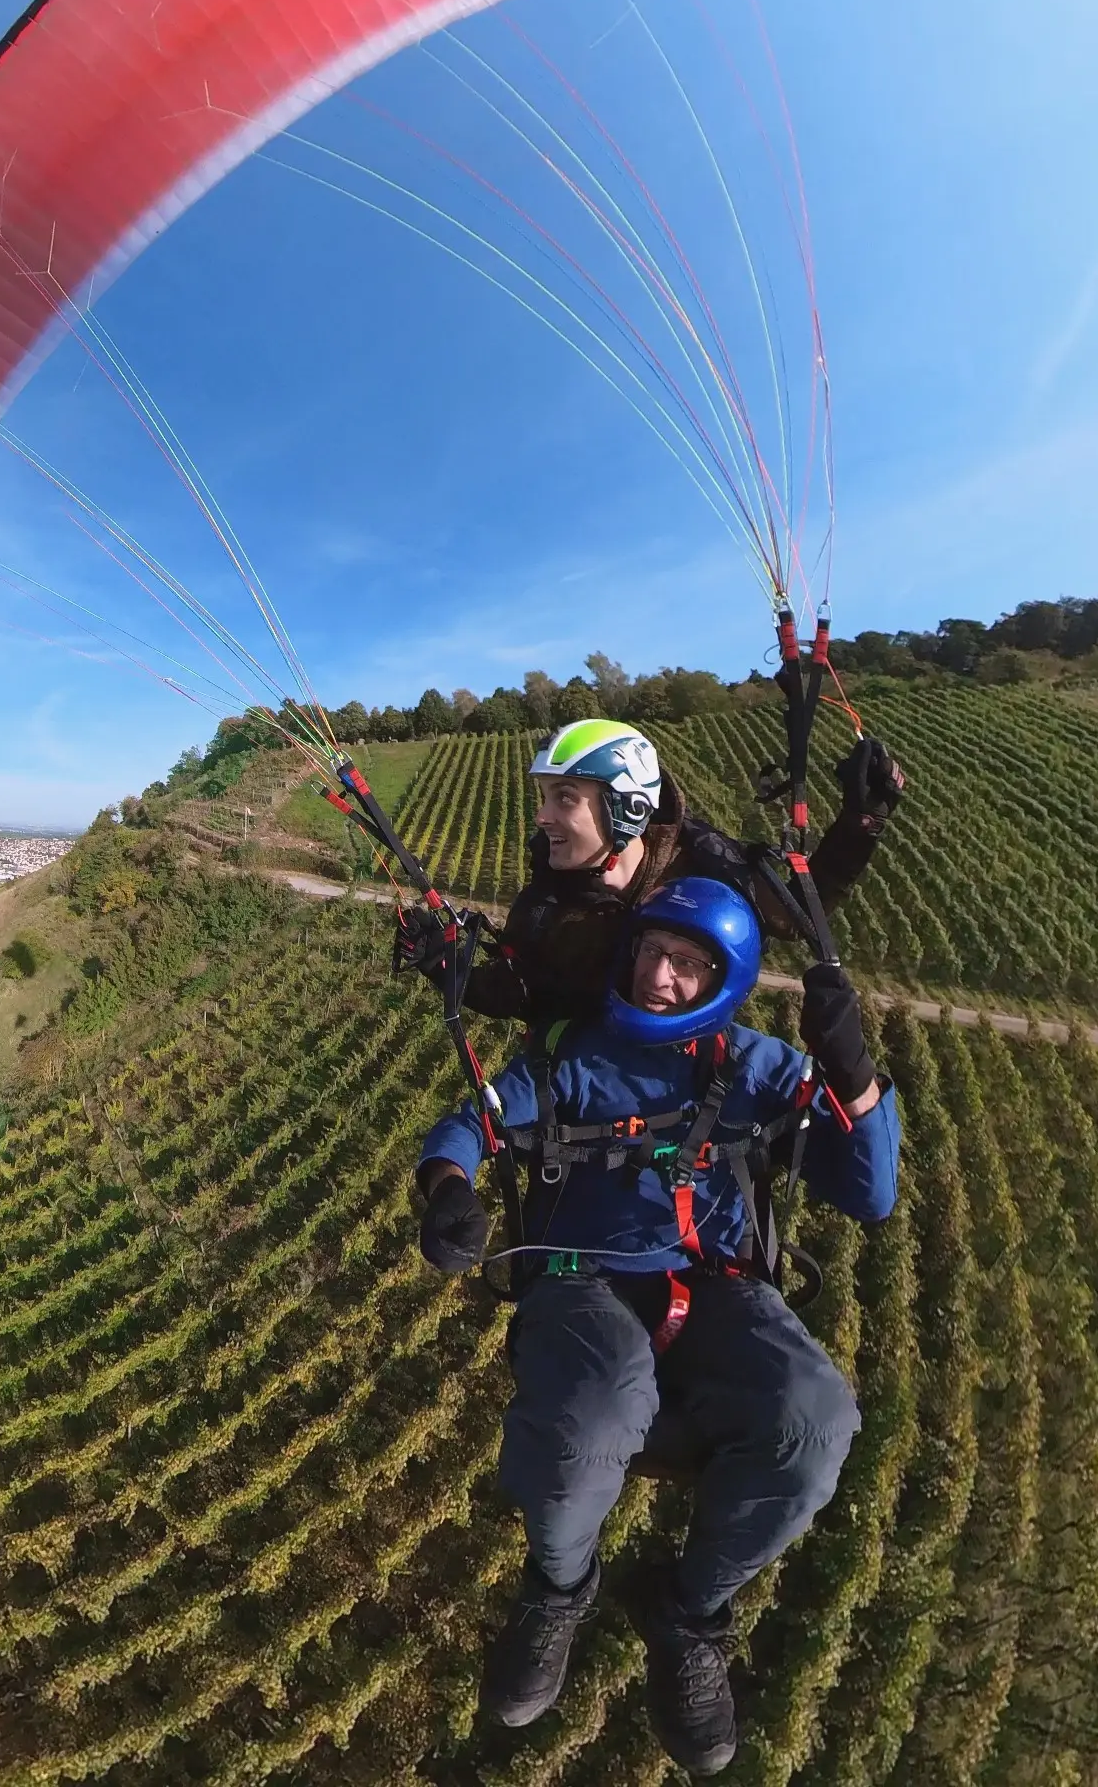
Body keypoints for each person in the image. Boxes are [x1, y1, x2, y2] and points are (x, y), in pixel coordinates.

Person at [414, 877, 899, 1775]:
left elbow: (868, 1193)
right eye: (651, 953)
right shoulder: (571, 1058)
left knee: (816, 1422)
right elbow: (470, 1125)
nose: (659, 979)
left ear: (722, 979)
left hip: (715, 1285)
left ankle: (687, 1614)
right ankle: (557, 1591)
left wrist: (855, 1081)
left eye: (685, 965)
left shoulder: (756, 1068)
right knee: (588, 1425)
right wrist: (447, 1191)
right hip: (583, 1279)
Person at [397, 717, 903, 1027]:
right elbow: (526, 997)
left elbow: (792, 916)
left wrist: (863, 822)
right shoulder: (545, 909)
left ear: (627, 809)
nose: (541, 816)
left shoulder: (701, 860)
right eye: (544, 797)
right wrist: (445, 967)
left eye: (565, 798)